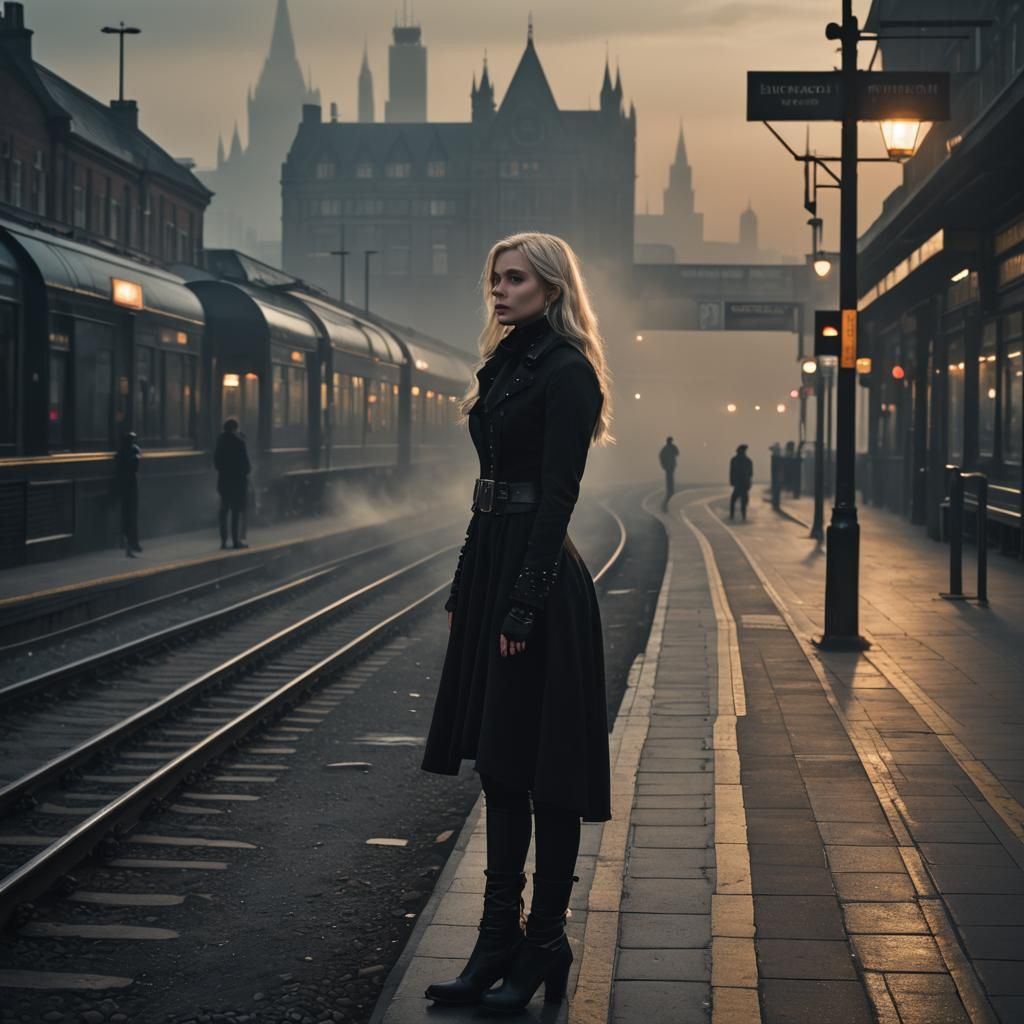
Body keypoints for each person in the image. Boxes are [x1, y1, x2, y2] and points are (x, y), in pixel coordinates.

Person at [422, 232, 614, 1012]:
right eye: (494, 279)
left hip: (540, 583)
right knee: (501, 767)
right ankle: (494, 942)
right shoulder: (506, 365)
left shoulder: (568, 373)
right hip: (497, 567)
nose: (497, 291)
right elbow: (488, 486)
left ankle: (544, 941)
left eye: (514, 279)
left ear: (553, 287)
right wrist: (467, 587)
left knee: (548, 774)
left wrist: (524, 602)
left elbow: (556, 495)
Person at [214, 418, 251, 549]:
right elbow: (247, 466)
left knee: (223, 511)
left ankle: (223, 541)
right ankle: (236, 541)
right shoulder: (239, 443)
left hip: (224, 483)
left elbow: (216, 463)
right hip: (237, 483)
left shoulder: (220, 441)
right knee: (235, 512)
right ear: (235, 429)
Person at [114, 432, 142, 558]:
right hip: (130, 487)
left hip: (124, 487)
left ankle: (127, 542)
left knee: (126, 517)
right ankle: (131, 543)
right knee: (131, 517)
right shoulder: (133, 453)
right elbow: (135, 467)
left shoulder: (120, 454)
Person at [730, 443, 754, 521]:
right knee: (743, 501)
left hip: (738, 484)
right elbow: (751, 474)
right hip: (744, 484)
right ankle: (743, 516)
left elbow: (732, 472)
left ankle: (732, 515)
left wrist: (732, 481)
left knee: (733, 500)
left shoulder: (734, 460)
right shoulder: (748, 461)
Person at [658, 435, 679, 509]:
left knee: (670, 477)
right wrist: (663, 464)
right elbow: (677, 453)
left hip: (670, 465)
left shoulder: (666, 448)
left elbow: (677, 453)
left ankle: (670, 489)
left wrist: (663, 464)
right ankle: (670, 489)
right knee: (670, 477)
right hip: (669, 465)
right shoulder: (668, 448)